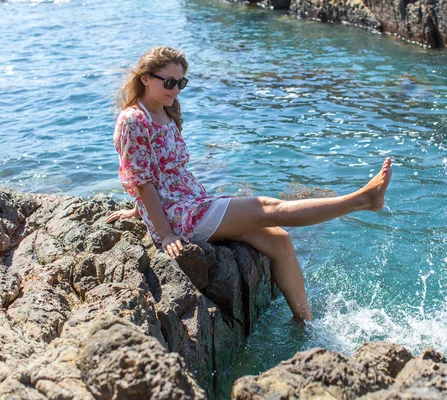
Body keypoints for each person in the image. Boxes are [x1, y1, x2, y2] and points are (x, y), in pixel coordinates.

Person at [106, 46, 392, 323]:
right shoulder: (134, 120)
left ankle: (306, 324)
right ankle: (362, 201)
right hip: (180, 218)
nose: (175, 89)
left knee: (279, 239)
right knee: (268, 206)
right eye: (169, 81)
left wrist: (137, 212)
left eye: (181, 82)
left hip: (193, 202)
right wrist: (165, 233)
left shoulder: (167, 111)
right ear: (145, 78)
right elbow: (142, 181)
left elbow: (160, 175)